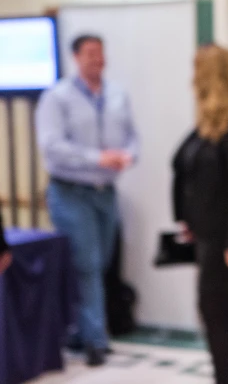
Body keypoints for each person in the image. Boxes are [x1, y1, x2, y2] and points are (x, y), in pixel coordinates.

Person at [35, 34, 138, 366]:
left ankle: (80, 331)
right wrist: (97, 158)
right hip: (71, 192)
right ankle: (96, 341)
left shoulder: (117, 94)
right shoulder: (57, 97)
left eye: (101, 53)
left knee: (101, 261)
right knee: (87, 264)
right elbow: (51, 145)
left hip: (104, 193)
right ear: (76, 57)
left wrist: (126, 156)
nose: (98, 59)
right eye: (90, 53)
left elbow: (133, 136)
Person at [172, 45, 228, 384]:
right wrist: (188, 219)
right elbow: (186, 171)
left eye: (198, 70)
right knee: (213, 308)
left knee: (214, 308)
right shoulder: (209, 125)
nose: (193, 78)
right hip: (207, 233)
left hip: (225, 236)